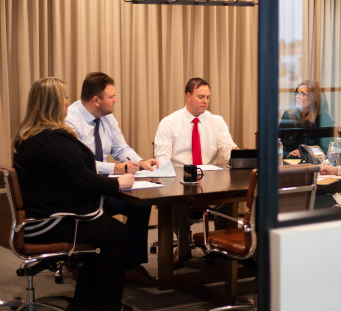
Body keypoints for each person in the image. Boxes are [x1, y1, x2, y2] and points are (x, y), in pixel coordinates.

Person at [12, 77, 134, 311]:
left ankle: (86, 303)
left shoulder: (30, 136)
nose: (69, 103)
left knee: (103, 232)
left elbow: (73, 177)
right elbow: (84, 180)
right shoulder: (53, 140)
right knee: (117, 234)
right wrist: (118, 183)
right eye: (65, 98)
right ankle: (108, 306)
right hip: (48, 223)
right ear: (55, 105)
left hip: (33, 219)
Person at [66, 72, 159, 286]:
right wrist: (116, 168)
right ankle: (78, 261)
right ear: (96, 100)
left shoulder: (107, 115)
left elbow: (120, 148)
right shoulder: (70, 120)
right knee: (104, 222)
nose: (115, 100)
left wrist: (140, 162)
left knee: (140, 203)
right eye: (112, 96)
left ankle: (132, 265)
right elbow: (79, 165)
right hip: (83, 189)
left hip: (106, 184)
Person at [154, 77, 237, 268]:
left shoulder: (216, 121)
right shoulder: (169, 123)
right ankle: (183, 250)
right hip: (180, 182)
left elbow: (227, 148)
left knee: (230, 193)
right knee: (177, 198)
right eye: (201, 97)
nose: (205, 101)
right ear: (188, 96)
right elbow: (163, 160)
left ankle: (222, 249)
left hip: (211, 181)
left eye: (207, 97)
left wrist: (238, 155)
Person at [279, 80, 334, 159]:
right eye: (297, 93)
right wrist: (288, 154)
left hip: (310, 164)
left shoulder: (323, 118)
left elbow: (324, 150)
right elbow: (277, 141)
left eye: (302, 94)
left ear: (313, 98)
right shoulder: (288, 115)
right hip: (287, 159)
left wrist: (303, 152)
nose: (297, 96)